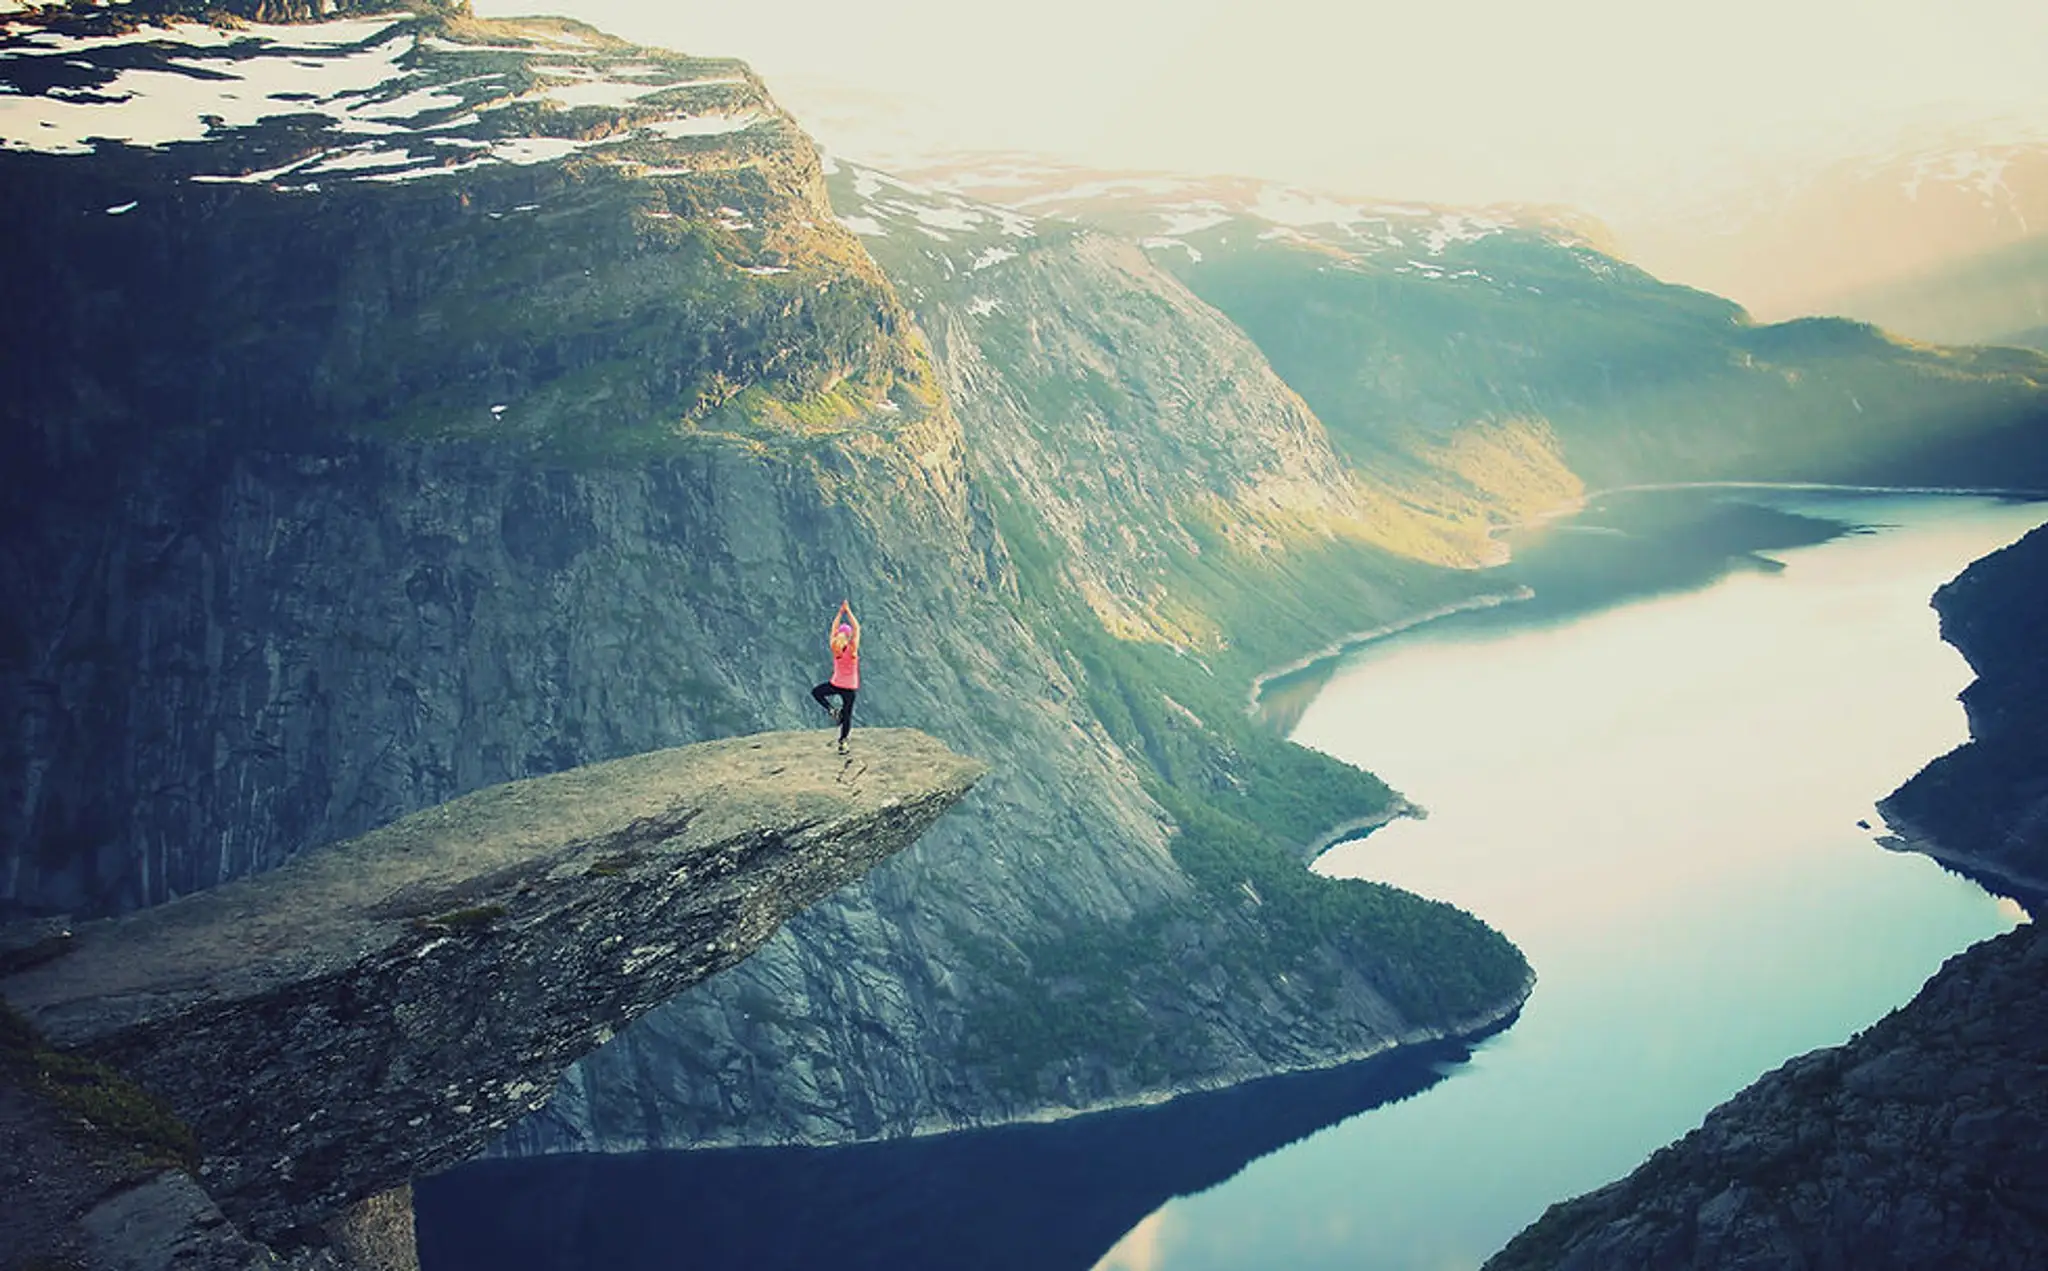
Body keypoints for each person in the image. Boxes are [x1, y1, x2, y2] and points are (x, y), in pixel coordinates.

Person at [811, 599, 861, 753]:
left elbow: (833, 628)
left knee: (816, 692)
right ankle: (843, 742)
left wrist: (840, 613)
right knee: (847, 715)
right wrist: (848, 611)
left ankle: (831, 710)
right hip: (850, 688)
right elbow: (857, 628)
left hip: (836, 684)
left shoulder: (835, 647)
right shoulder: (852, 649)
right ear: (849, 636)